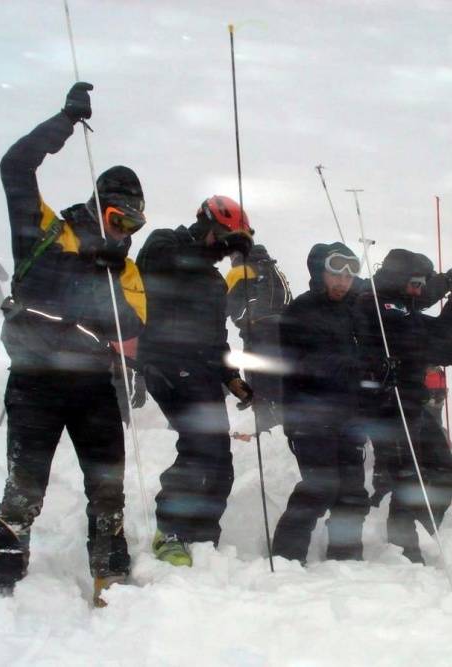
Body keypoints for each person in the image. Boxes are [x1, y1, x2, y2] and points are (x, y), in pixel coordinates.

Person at [0, 82, 147, 607]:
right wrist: (64, 122)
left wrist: (107, 277)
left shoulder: (124, 269)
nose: (126, 233)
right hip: (34, 380)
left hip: (93, 386)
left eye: (135, 225)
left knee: (107, 489)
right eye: (120, 220)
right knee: (24, 488)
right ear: (99, 207)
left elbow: (130, 328)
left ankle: (110, 576)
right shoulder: (45, 231)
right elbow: (14, 167)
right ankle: (5, 578)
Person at [136, 195, 255, 567]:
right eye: (220, 236)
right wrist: (216, 246)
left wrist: (231, 376)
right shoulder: (165, 243)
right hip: (165, 363)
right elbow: (162, 265)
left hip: (202, 370)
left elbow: (217, 337)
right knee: (199, 445)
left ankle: (204, 534)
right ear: (205, 225)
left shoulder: (214, 283)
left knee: (219, 456)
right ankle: (169, 530)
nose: (222, 250)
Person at [356, 249, 452, 563]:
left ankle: (415, 536)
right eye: (415, 282)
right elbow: (432, 343)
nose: (419, 289)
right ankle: (405, 551)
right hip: (388, 405)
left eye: (422, 283)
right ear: (399, 280)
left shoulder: (404, 307)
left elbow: (435, 333)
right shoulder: (379, 306)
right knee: (408, 479)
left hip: (411, 403)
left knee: (443, 476)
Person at [271, 243, 369, 564]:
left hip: (349, 414)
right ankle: (287, 557)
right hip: (308, 413)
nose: (342, 282)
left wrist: (381, 369)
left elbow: (369, 355)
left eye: (348, 276)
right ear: (319, 272)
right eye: (334, 274)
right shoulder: (302, 310)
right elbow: (300, 362)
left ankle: (346, 556)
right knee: (321, 485)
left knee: (352, 491)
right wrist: (353, 364)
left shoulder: (358, 312)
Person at [225, 243, 292, 432]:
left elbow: (220, 307)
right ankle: (283, 435)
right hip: (284, 340)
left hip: (257, 338)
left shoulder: (240, 272)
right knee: (283, 392)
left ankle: (267, 432)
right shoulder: (273, 270)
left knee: (261, 396)